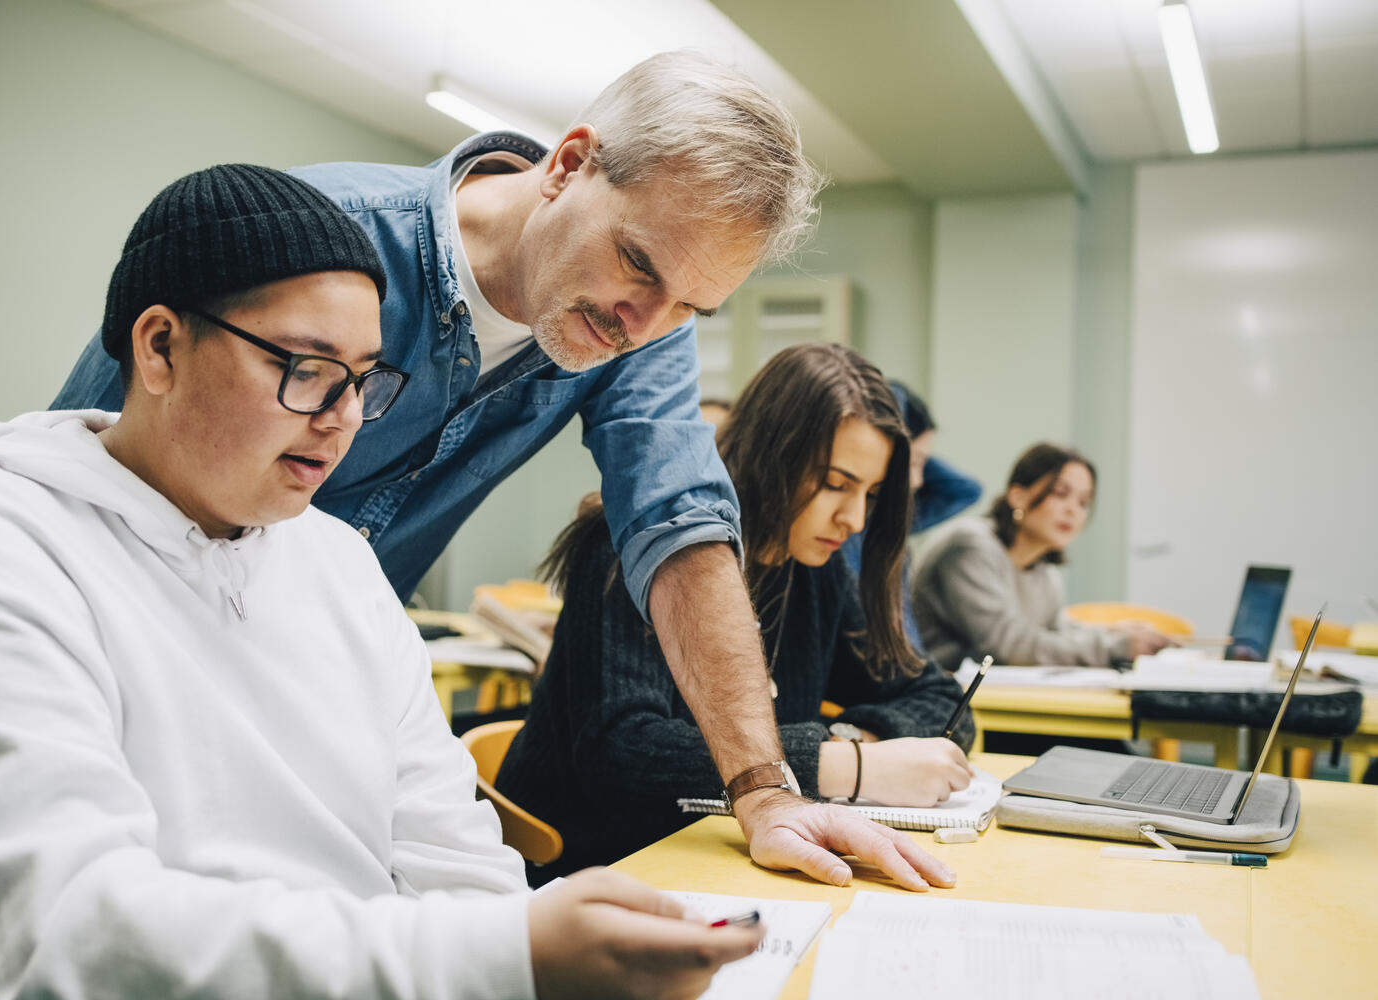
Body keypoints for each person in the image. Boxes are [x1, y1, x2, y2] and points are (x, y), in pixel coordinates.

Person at [50, 52, 951, 888]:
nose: (642, 323)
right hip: (128, 667)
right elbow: (88, 463)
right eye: (638, 264)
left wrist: (763, 790)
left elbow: (682, 526)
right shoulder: (318, 244)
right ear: (568, 165)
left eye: (690, 306)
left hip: (320, 685)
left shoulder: (639, 331)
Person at [0, 165, 764, 1000]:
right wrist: (503, 954)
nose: (342, 421)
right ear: (159, 347)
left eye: (363, 380)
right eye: (304, 370)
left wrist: (515, 950)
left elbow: (449, 858)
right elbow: (72, 936)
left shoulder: (334, 560)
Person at [496, 344, 973, 883]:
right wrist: (844, 763)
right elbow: (621, 754)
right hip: (587, 860)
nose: (855, 519)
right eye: (836, 484)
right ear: (773, 454)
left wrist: (857, 741)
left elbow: (940, 699)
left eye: (871, 492)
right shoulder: (628, 547)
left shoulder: (814, 566)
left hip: (720, 850)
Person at [911, 442, 1178, 672]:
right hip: (945, 702)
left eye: (1083, 502)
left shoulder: (1044, 571)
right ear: (1017, 496)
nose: (1073, 510)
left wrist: (1114, 632)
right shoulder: (969, 546)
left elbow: (1053, 630)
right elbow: (1007, 644)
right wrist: (1117, 646)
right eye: (1060, 494)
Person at [839, 381, 982, 650]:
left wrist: (915, 454)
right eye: (914, 463)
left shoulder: (890, 522)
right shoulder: (842, 532)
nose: (919, 481)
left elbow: (966, 491)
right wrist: (898, 447)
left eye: (924, 465)